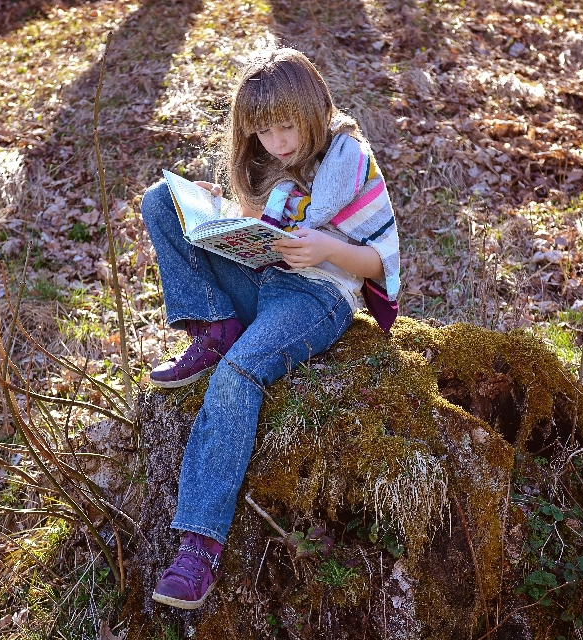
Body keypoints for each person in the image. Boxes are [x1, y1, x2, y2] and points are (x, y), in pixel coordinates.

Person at [138, 46, 400, 610]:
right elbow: (265, 230)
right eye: (263, 130)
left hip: (316, 295)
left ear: (313, 111)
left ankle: (198, 549)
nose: (278, 142)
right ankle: (218, 325)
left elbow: (383, 259)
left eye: (287, 126)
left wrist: (326, 248)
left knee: (237, 375)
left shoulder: (348, 158)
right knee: (162, 201)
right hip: (264, 275)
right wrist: (223, 225)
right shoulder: (273, 166)